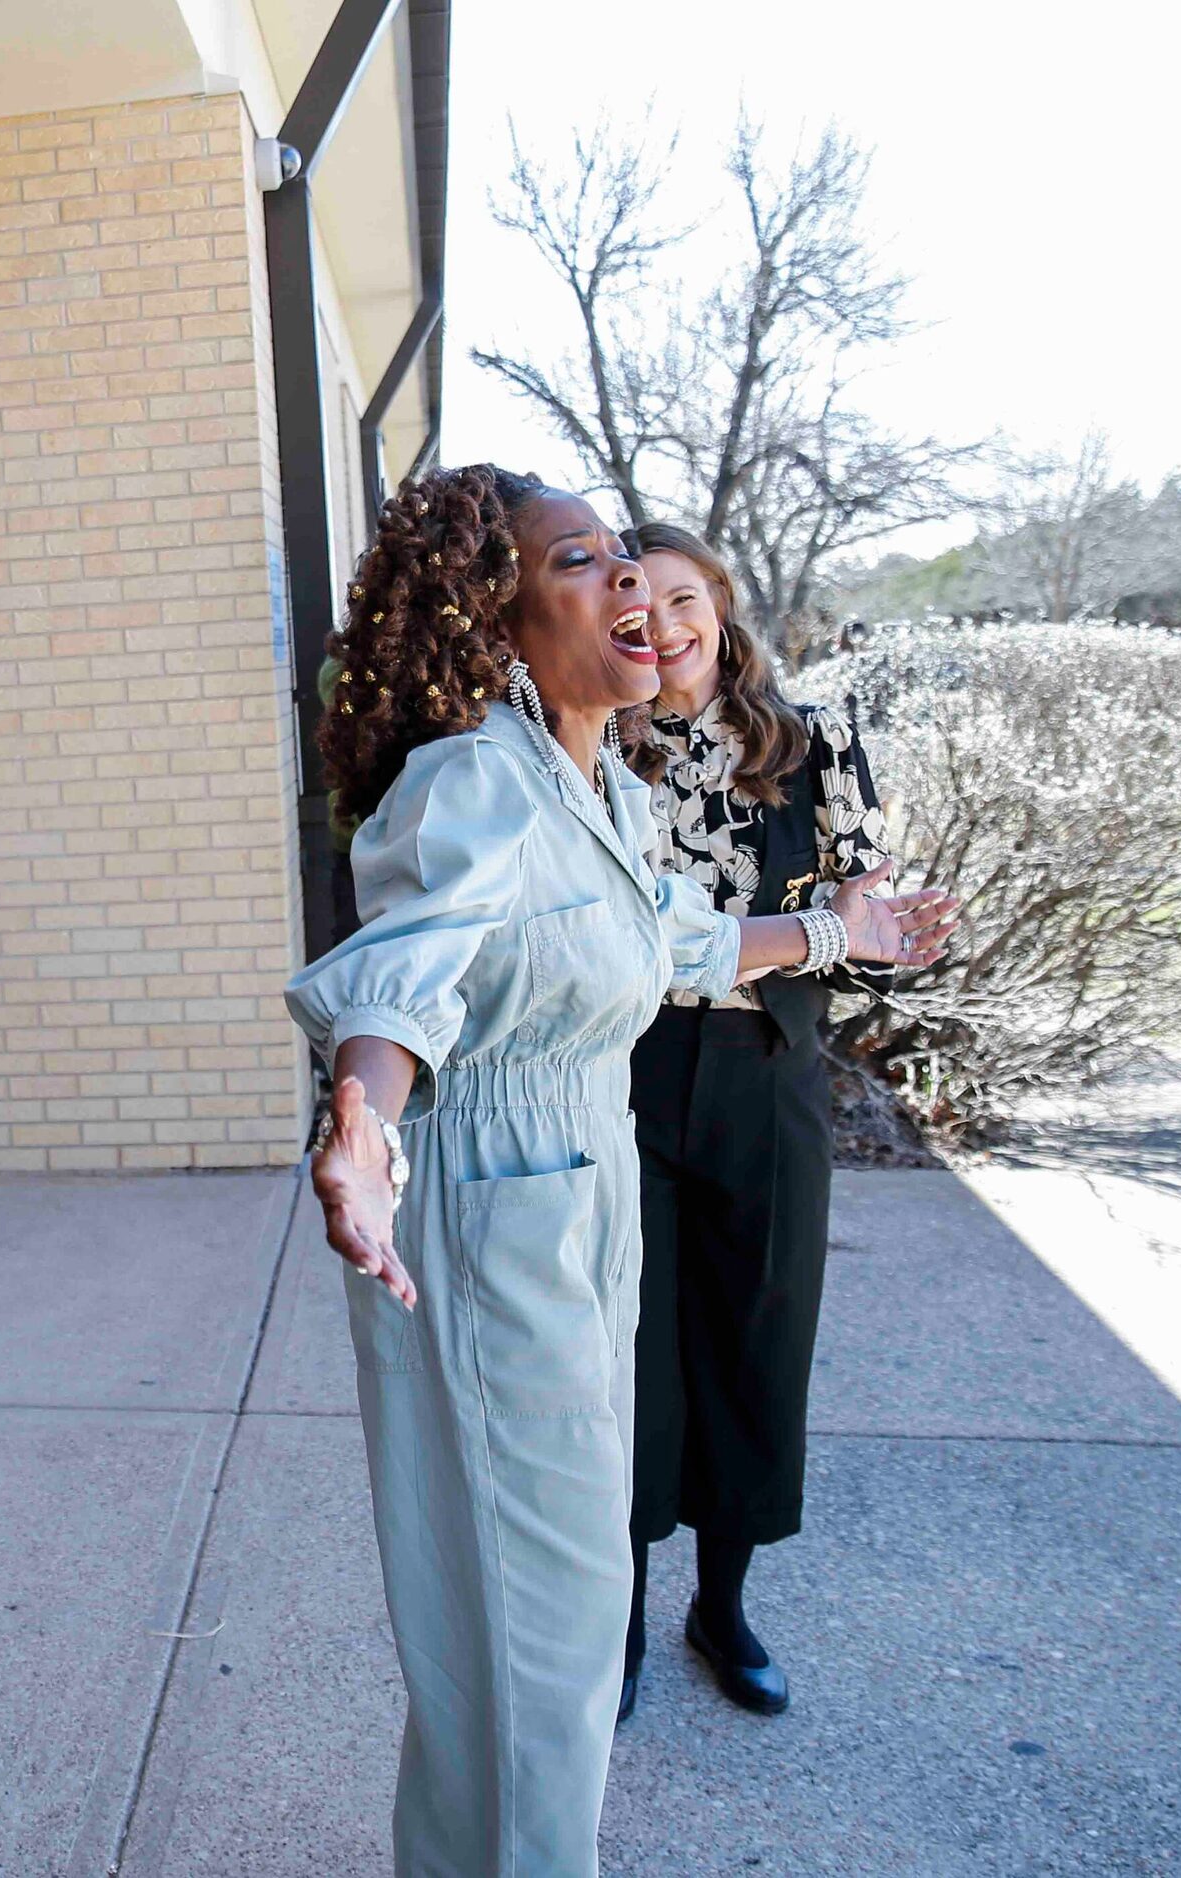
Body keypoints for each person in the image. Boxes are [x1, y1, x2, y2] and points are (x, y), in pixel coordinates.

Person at [286, 468, 956, 1877]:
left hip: (581, 1204)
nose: (631, 589)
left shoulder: (585, 780)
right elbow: (406, 966)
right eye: (583, 562)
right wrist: (360, 1122)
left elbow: (676, 947)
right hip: (495, 1209)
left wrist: (842, 931)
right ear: (495, 616)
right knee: (537, 1637)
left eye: (637, 567)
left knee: (554, 1628)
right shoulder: (472, 775)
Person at [615, 521, 910, 1723]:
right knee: (625, 1359)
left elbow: (867, 930)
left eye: (682, 599)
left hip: (767, 1069)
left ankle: (718, 1608)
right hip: (620, 1074)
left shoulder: (817, 744)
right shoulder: (588, 753)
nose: (662, 626)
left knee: (754, 1341)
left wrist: (887, 937)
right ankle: (620, 1618)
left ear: (722, 606)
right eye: (632, 607)